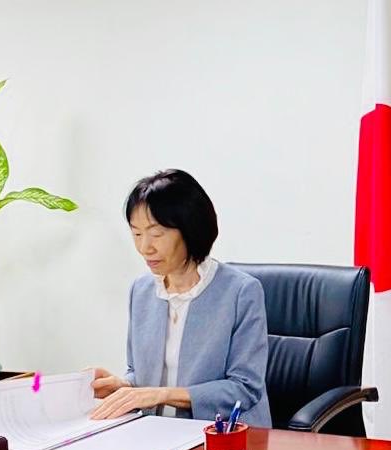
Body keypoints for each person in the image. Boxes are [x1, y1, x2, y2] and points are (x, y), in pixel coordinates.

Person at [90, 169, 272, 427]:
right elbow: (139, 373)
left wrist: (163, 394)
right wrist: (123, 386)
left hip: (224, 436)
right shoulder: (141, 291)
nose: (144, 248)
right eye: (137, 234)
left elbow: (245, 388)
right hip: (157, 433)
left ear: (190, 229)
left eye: (156, 234)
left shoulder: (241, 292)